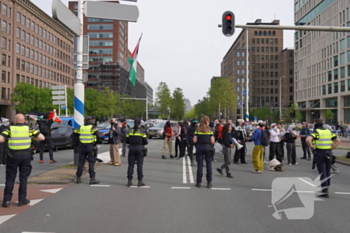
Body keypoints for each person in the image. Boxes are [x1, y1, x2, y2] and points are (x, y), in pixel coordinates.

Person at [0, 114, 45, 207]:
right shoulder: (29, 129)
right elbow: (42, 137)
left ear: (15, 120)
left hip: (12, 156)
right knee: (23, 178)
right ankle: (22, 199)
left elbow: (0, 139)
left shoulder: (9, 129)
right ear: (24, 121)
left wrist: (8, 140)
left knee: (10, 178)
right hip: (25, 156)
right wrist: (31, 138)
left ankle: (6, 200)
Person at [306, 118, 340, 198]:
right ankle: (327, 187)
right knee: (328, 171)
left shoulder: (316, 132)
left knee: (322, 172)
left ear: (315, 123)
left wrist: (312, 147)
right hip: (328, 153)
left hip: (320, 153)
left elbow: (308, 139)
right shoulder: (328, 131)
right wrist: (331, 149)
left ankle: (324, 191)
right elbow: (338, 141)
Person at [73, 116, 100, 184]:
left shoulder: (80, 127)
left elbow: (73, 135)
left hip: (82, 147)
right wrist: (96, 142)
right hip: (90, 146)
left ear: (84, 121)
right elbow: (98, 136)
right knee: (91, 163)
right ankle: (92, 179)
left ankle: (78, 178)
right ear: (90, 121)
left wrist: (78, 141)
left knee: (81, 163)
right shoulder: (92, 127)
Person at [193, 115, 215, 188]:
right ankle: (209, 182)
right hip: (207, 147)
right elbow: (212, 141)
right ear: (206, 122)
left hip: (199, 147)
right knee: (209, 165)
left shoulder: (197, 130)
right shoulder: (210, 130)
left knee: (200, 165)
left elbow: (194, 140)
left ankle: (198, 182)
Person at [126, 118, 148, 187]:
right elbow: (146, 142)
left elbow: (126, 141)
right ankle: (140, 181)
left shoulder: (130, 131)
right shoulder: (142, 131)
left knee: (130, 165)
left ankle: (129, 181)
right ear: (139, 124)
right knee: (139, 165)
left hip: (131, 148)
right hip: (139, 149)